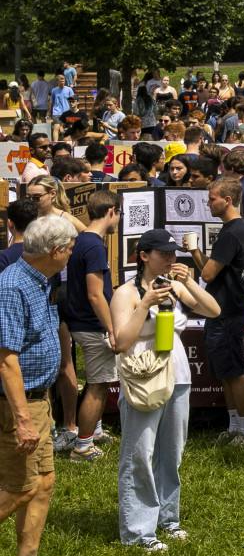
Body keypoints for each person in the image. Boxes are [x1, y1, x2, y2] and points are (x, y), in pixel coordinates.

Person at [110, 228, 221, 547]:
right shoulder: (126, 294)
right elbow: (122, 341)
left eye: (174, 254)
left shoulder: (174, 286)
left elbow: (213, 310)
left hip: (178, 374)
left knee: (172, 453)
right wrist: (145, 304)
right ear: (144, 256)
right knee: (140, 453)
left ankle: (167, 518)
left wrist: (189, 283)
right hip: (144, 378)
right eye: (165, 255)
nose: (172, 260)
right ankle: (138, 531)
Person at [1, 215, 74, 556]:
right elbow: (5, 360)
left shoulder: (41, 281)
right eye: (70, 249)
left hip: (38, 400)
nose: (71, 255)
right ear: (56, 251)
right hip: (18, 405)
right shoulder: (13, 286)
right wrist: (22, 420)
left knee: (43, 483)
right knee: (20, 489)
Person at [56, 190, 119, 464]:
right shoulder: (94, 245)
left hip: (78, 321)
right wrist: (111, 328)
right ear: (111, 212)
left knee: (97, 382)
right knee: (98, 385)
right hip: (92, 325)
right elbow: (95, 294)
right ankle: (83, 447)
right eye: (119, 214)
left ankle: (91, 433)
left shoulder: (81, 241)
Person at [198, 177, 244, 447]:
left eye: (212, 198)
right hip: (227, 309)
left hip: (227, 311)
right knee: (225, 371)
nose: (208, 203)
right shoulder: (237, 228)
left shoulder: (232, 232)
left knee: (234, 371)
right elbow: (212, 273)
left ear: (228, 200)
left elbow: (209, 274)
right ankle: (235, 425)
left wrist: (194, 253)